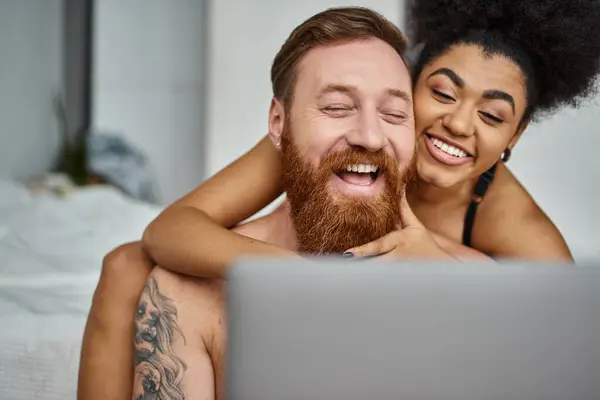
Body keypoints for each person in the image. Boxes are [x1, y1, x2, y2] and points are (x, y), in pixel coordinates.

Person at [77, 0, 600, 398]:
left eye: (492, 116)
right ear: (408, 87)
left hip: (415, 307)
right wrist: (301, 278)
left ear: (515, 136)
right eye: (441, 94)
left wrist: (435, 263)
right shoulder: (343, 132)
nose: (459, 123)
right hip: (317, 266)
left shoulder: (516, 226)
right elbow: (171, 229)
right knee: (126, 264)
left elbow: (554, 350)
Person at [132, 9, 441, 398]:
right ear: (279, 122)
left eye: (394, 114)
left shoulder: (470, 282)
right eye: (336, 108)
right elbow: (165, 233)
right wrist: (297, 278)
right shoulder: (186, 295)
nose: (371, 136)